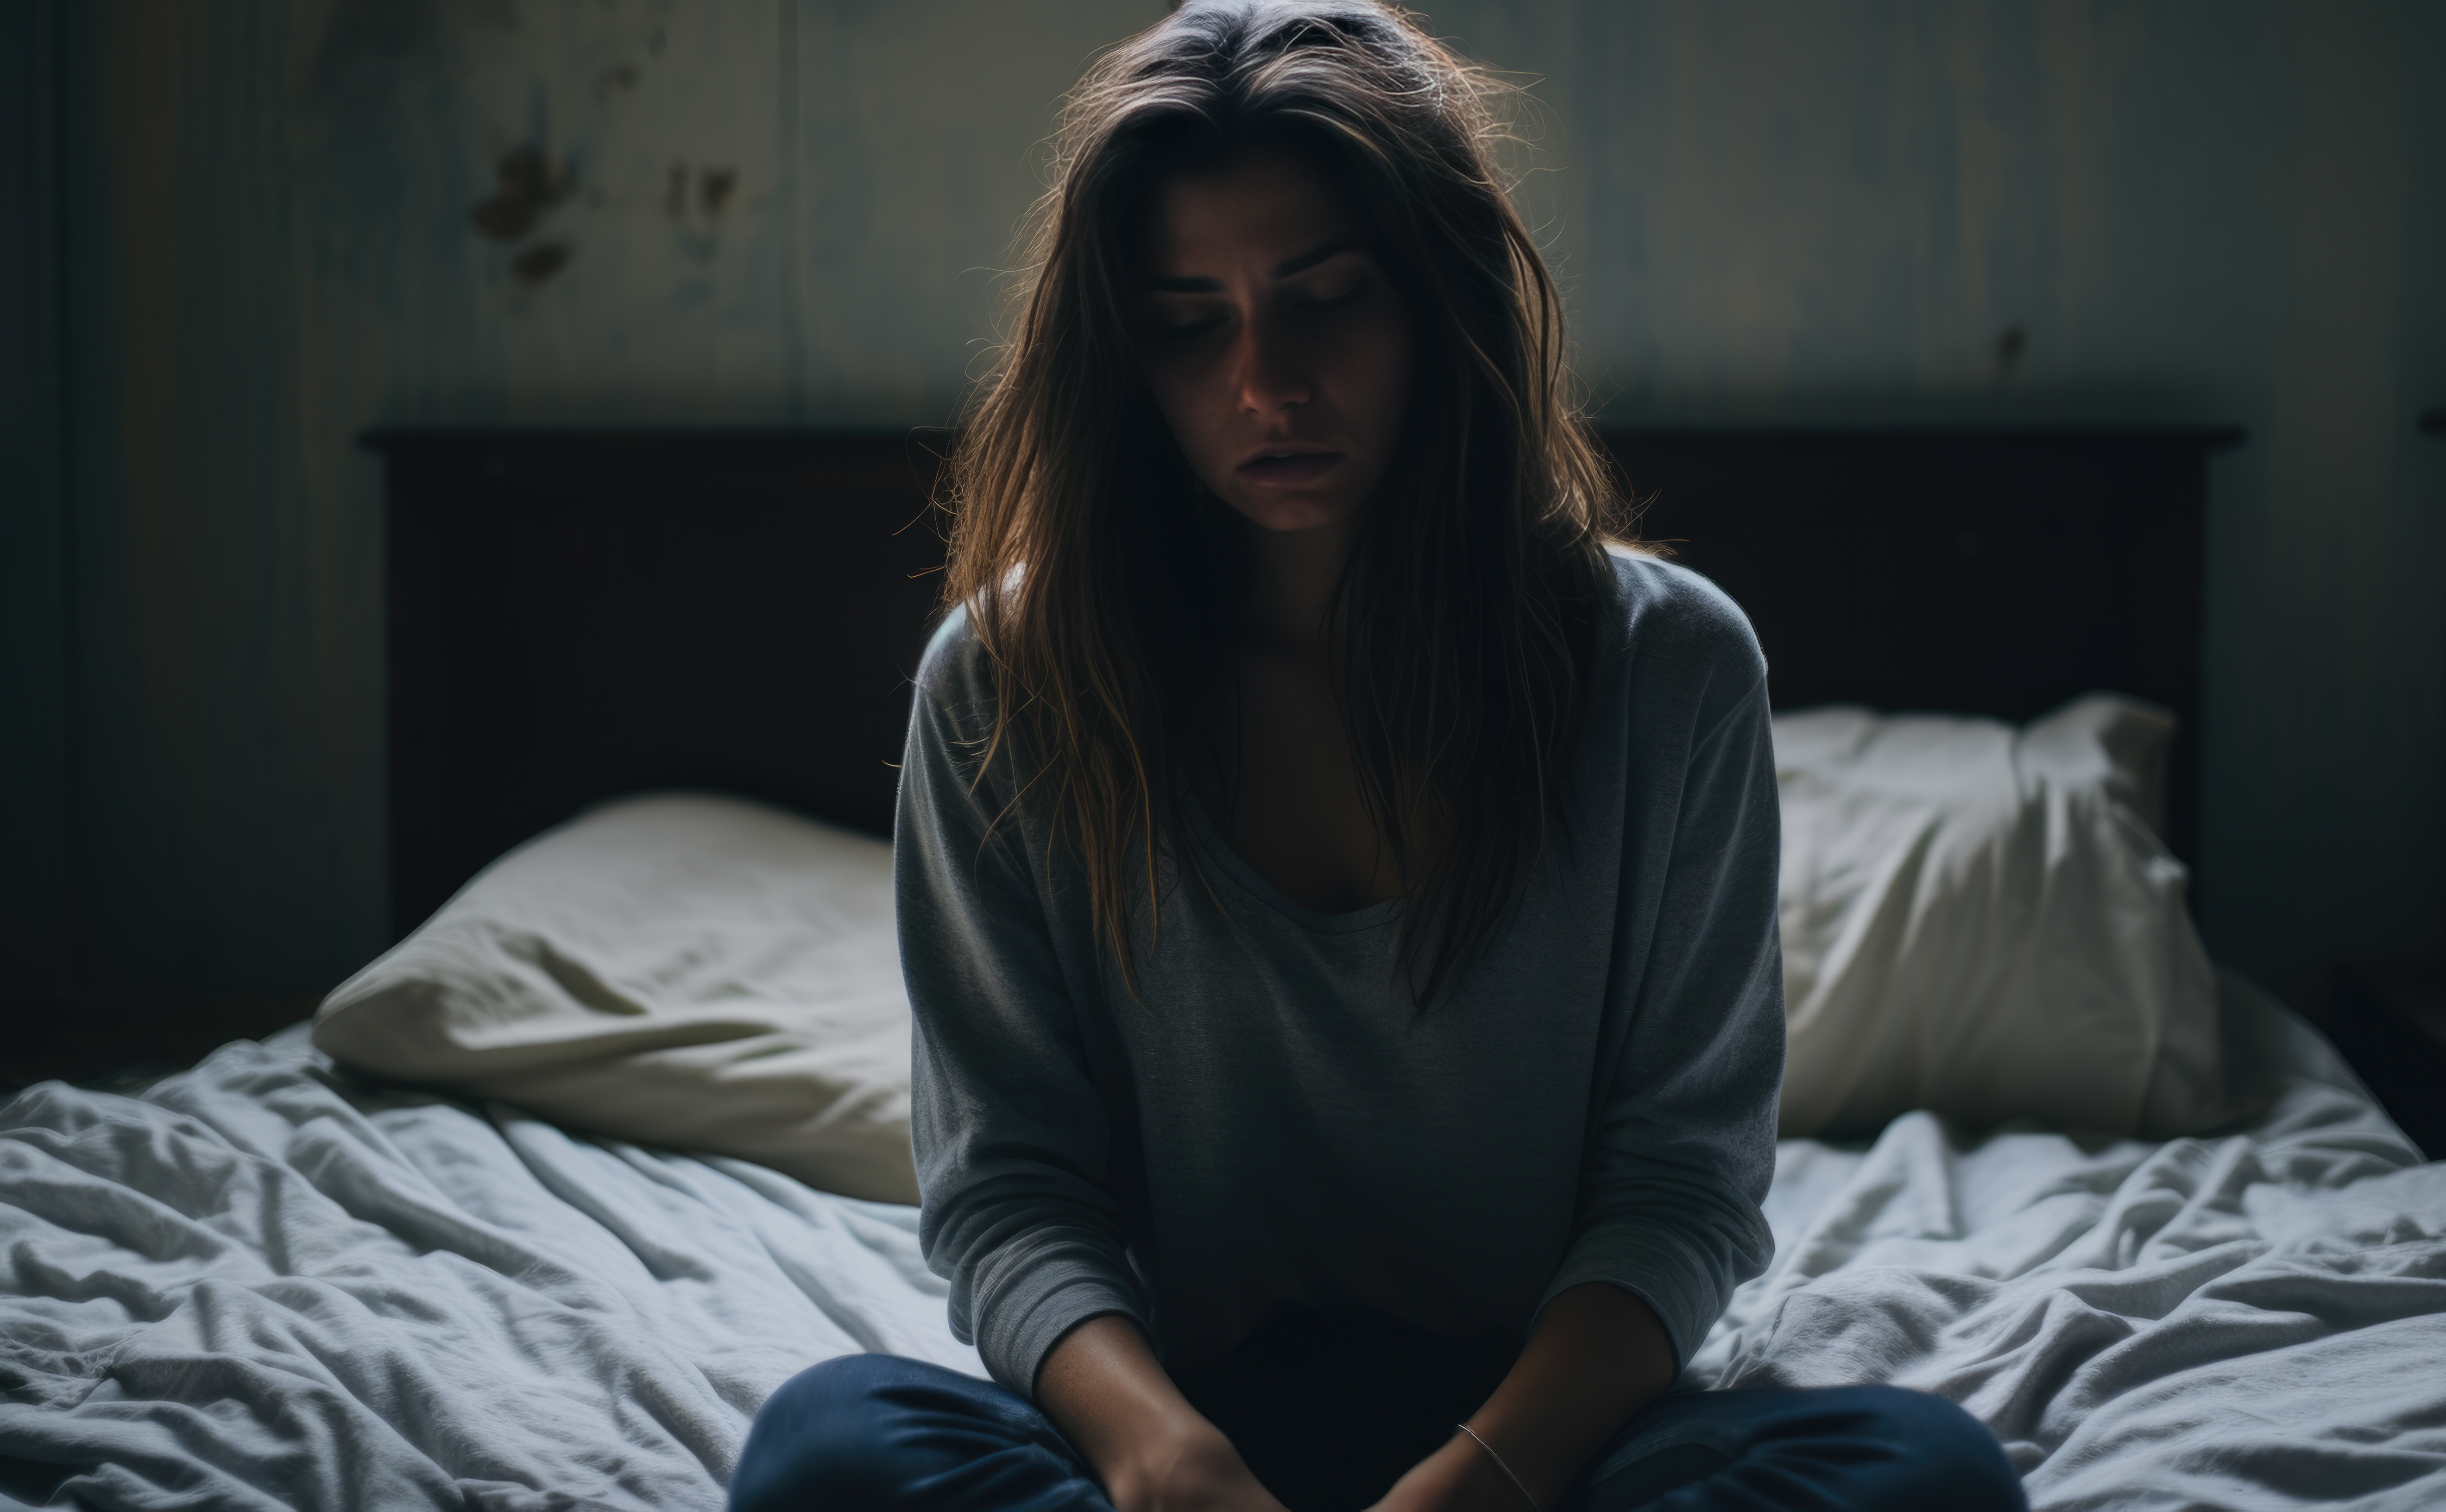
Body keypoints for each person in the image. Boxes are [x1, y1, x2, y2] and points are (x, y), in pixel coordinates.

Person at [731, 3, 2025, 1509]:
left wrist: (1478, 1481)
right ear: (1124, 355)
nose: (1265, 385)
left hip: (1554, 1443)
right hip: (1176, 1427)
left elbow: (1682, 1186)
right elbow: (1010, 1191)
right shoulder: (1010, 689)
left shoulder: (1669, 673)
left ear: (1438, 303)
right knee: (828, 1454)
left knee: (1925, 1479)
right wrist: (1168, 1463)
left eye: (1326, 299)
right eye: (1188, 322)